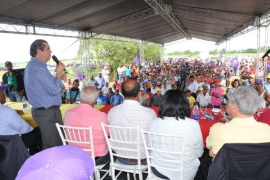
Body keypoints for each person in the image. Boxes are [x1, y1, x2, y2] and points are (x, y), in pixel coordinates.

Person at [149, 90, 203, 180]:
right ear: (185, 104)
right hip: (186, 173)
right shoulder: (193, 124)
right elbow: (199, 153)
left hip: (159, 171)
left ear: (163, 104)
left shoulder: (154, 123)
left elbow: (150, 147)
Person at [24, 39, 65, 150]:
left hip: (45, 112)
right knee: (54, 147)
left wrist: (57, 78)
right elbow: (54, 90)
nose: (51, 52)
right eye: (48, 49)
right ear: (39, 51)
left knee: (54, 144)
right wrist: (59, 74)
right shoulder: (38, 68)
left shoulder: (32, 66)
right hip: (47, 113)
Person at [206, 87, 270, 157]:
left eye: (228, 102)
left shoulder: (217, 130)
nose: (227, 104)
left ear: (234, 107)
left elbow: (211, 149)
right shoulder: (267, 130)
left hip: (228, 168)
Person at [107, 79, 157, 164]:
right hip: (142, 159)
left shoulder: (112, 111)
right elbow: (154, 139)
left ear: (122, 92)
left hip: (119, 157)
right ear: (139, 93)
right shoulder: (150, 113)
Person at [64, 86, 110, 165]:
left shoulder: (68, 113)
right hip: (95, 157)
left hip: (74, 154)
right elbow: (108, 135)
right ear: (94, 100)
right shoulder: (100, 116)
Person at [0, 88, 42, 155]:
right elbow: (26, 129)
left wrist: (13, 112)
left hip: (4, 144)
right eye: (3, 92)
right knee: (40, 131)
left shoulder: (5, 111)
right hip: (15, 142)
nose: (5, 94)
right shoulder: (6, 111)